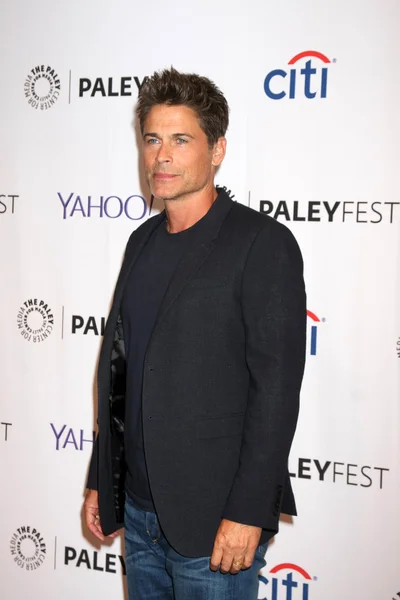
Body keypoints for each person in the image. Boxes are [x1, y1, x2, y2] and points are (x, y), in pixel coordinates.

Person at [84, 67, 306, 600]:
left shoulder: (262, 244)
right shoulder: (140, 242)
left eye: (181, 140)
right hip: (139, 515)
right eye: (153, 139)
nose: (161, 156)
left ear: (217, 150)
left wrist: (249, 511)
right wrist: (102, 478)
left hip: (214, 523)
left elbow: (275, 393)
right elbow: (120, 372)